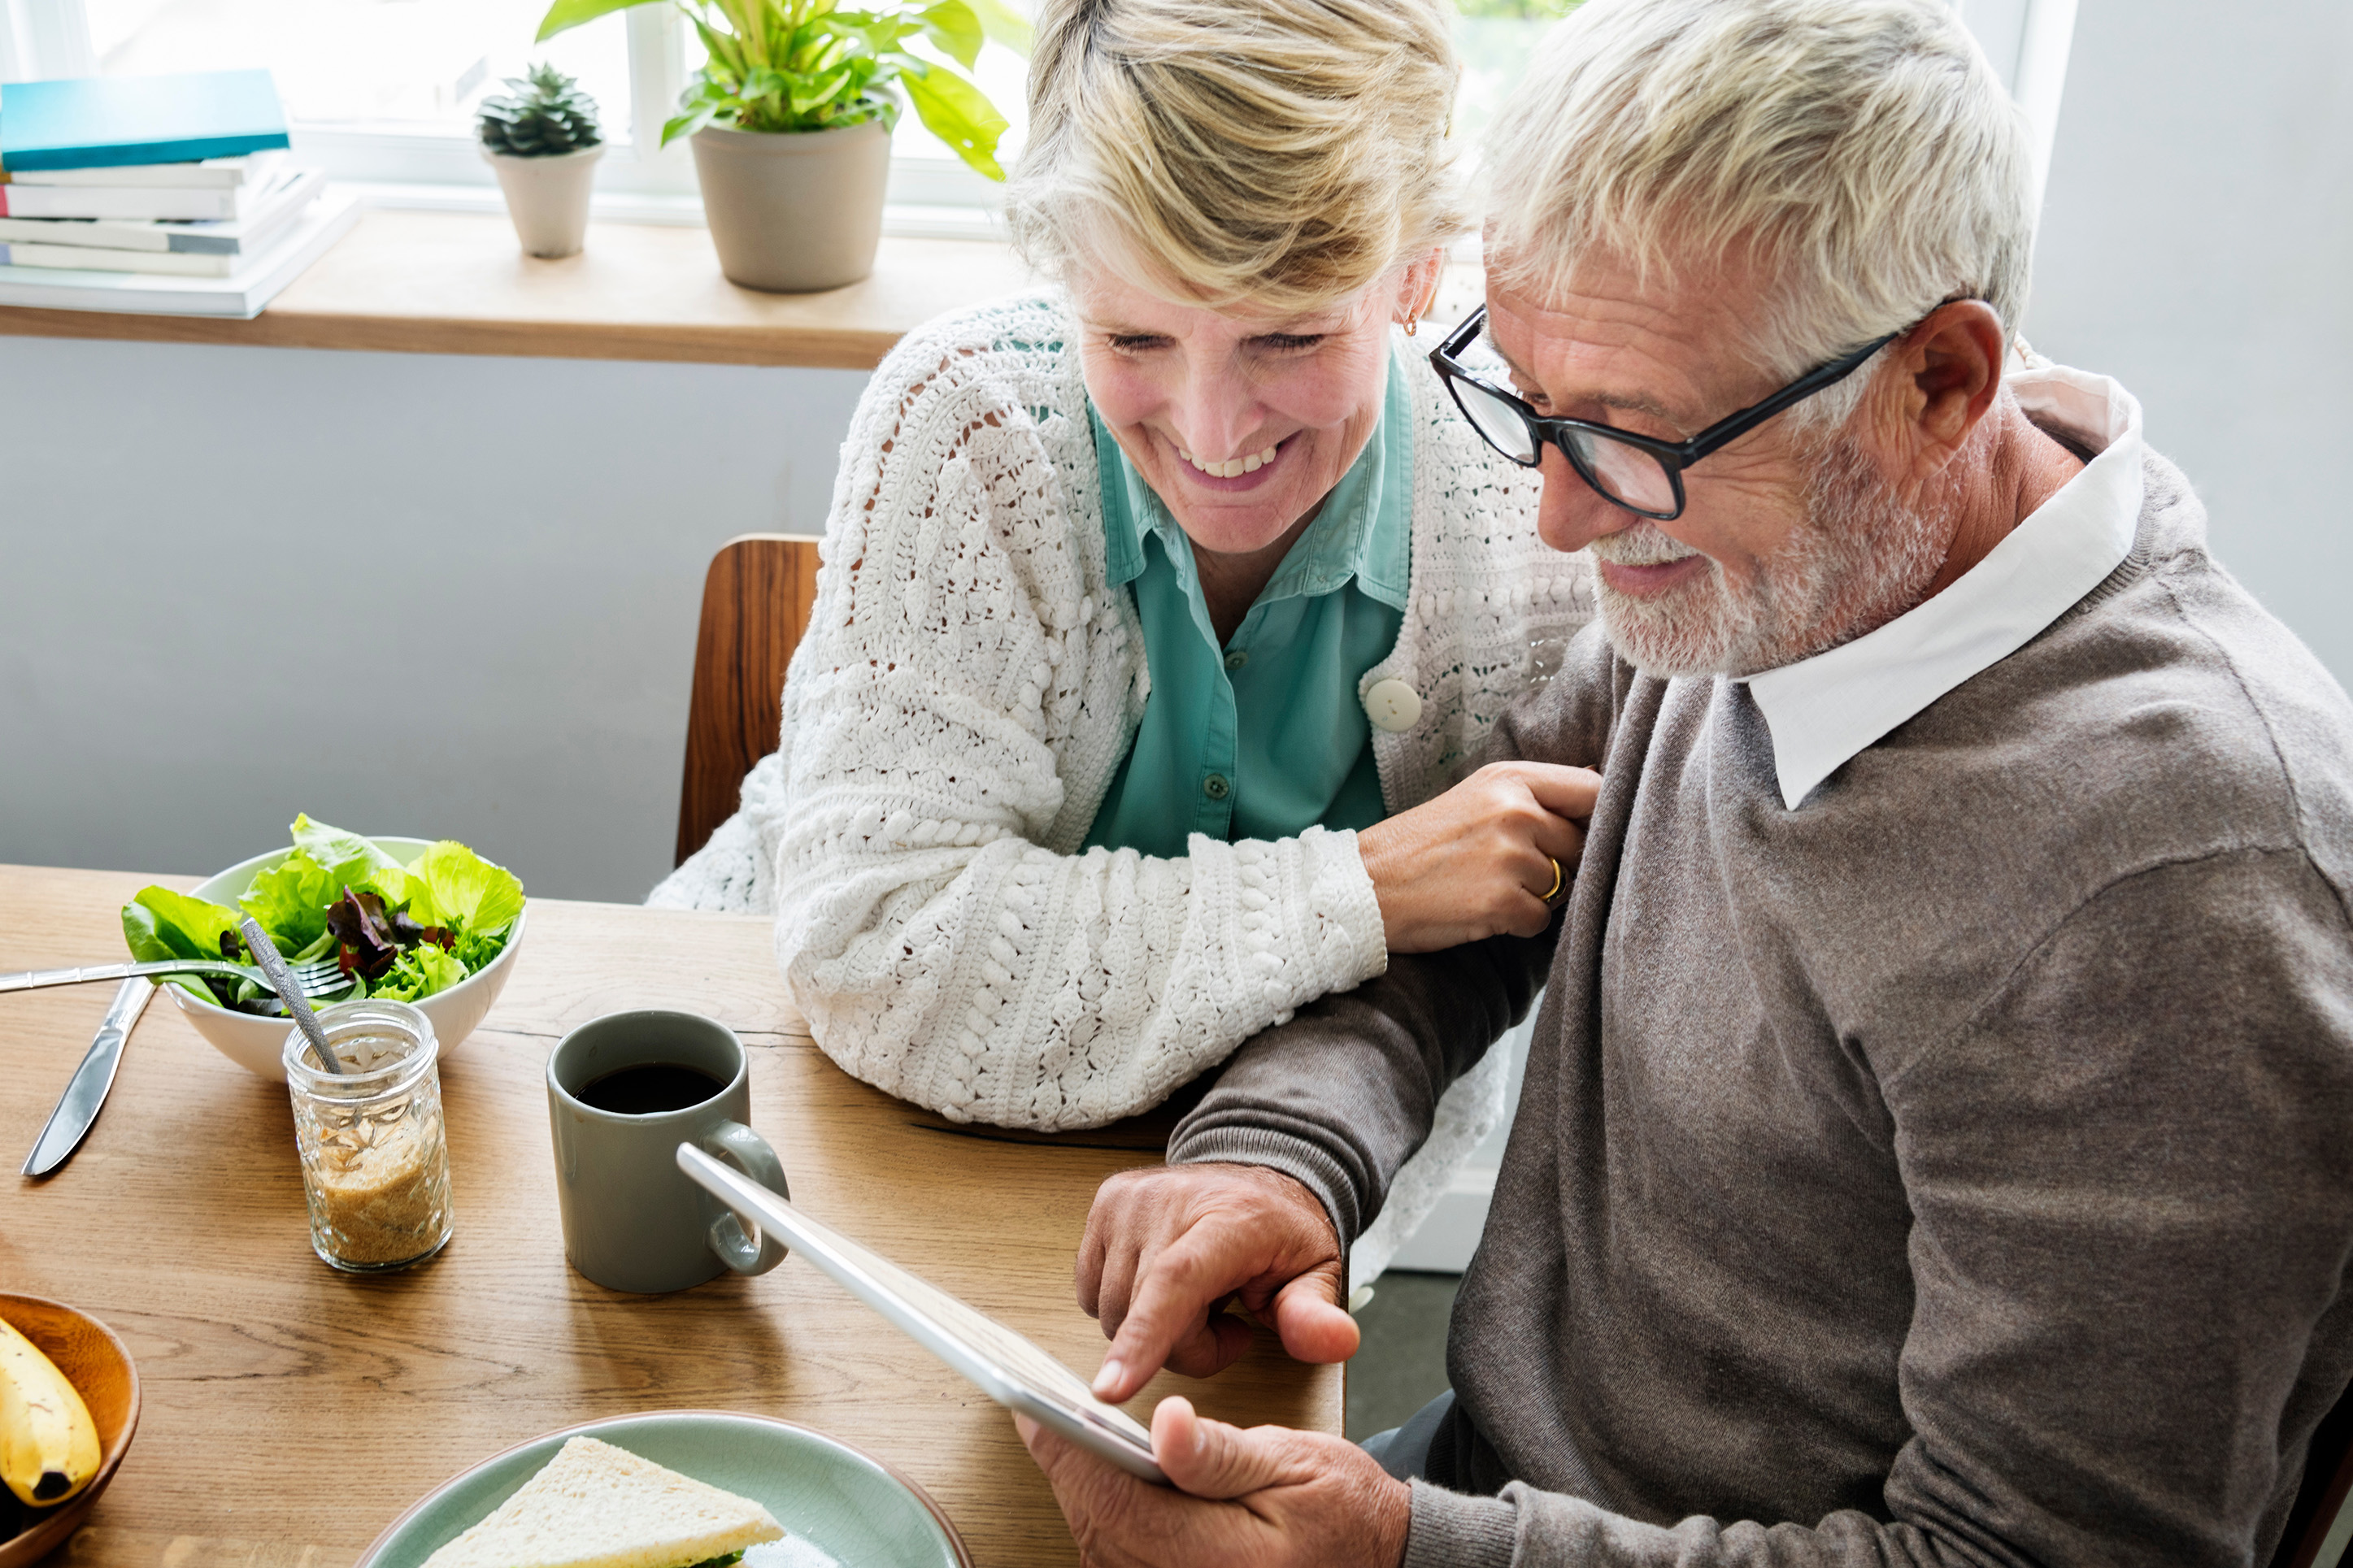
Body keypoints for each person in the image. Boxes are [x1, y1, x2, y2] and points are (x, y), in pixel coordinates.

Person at [1022, 0, 2353, 1562]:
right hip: (1487, 1481)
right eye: (1526, 405)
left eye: (1630, 443)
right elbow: (1485, 904)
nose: (1560, 527)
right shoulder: (1781, 553)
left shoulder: (2183, 894)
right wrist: (1281, 1154)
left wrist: (1405, 1554)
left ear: (1939, 379)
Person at [652, 0, 1598, 1275]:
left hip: (1252, 1179)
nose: (1212, 435)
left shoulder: (1538, 519)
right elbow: (880, 948)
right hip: (806, 1107)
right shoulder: (969, 421)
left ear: (1416, 274)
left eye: (1289, 334)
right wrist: (1362, 890)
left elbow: (1465, 988)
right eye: (1133, 336)